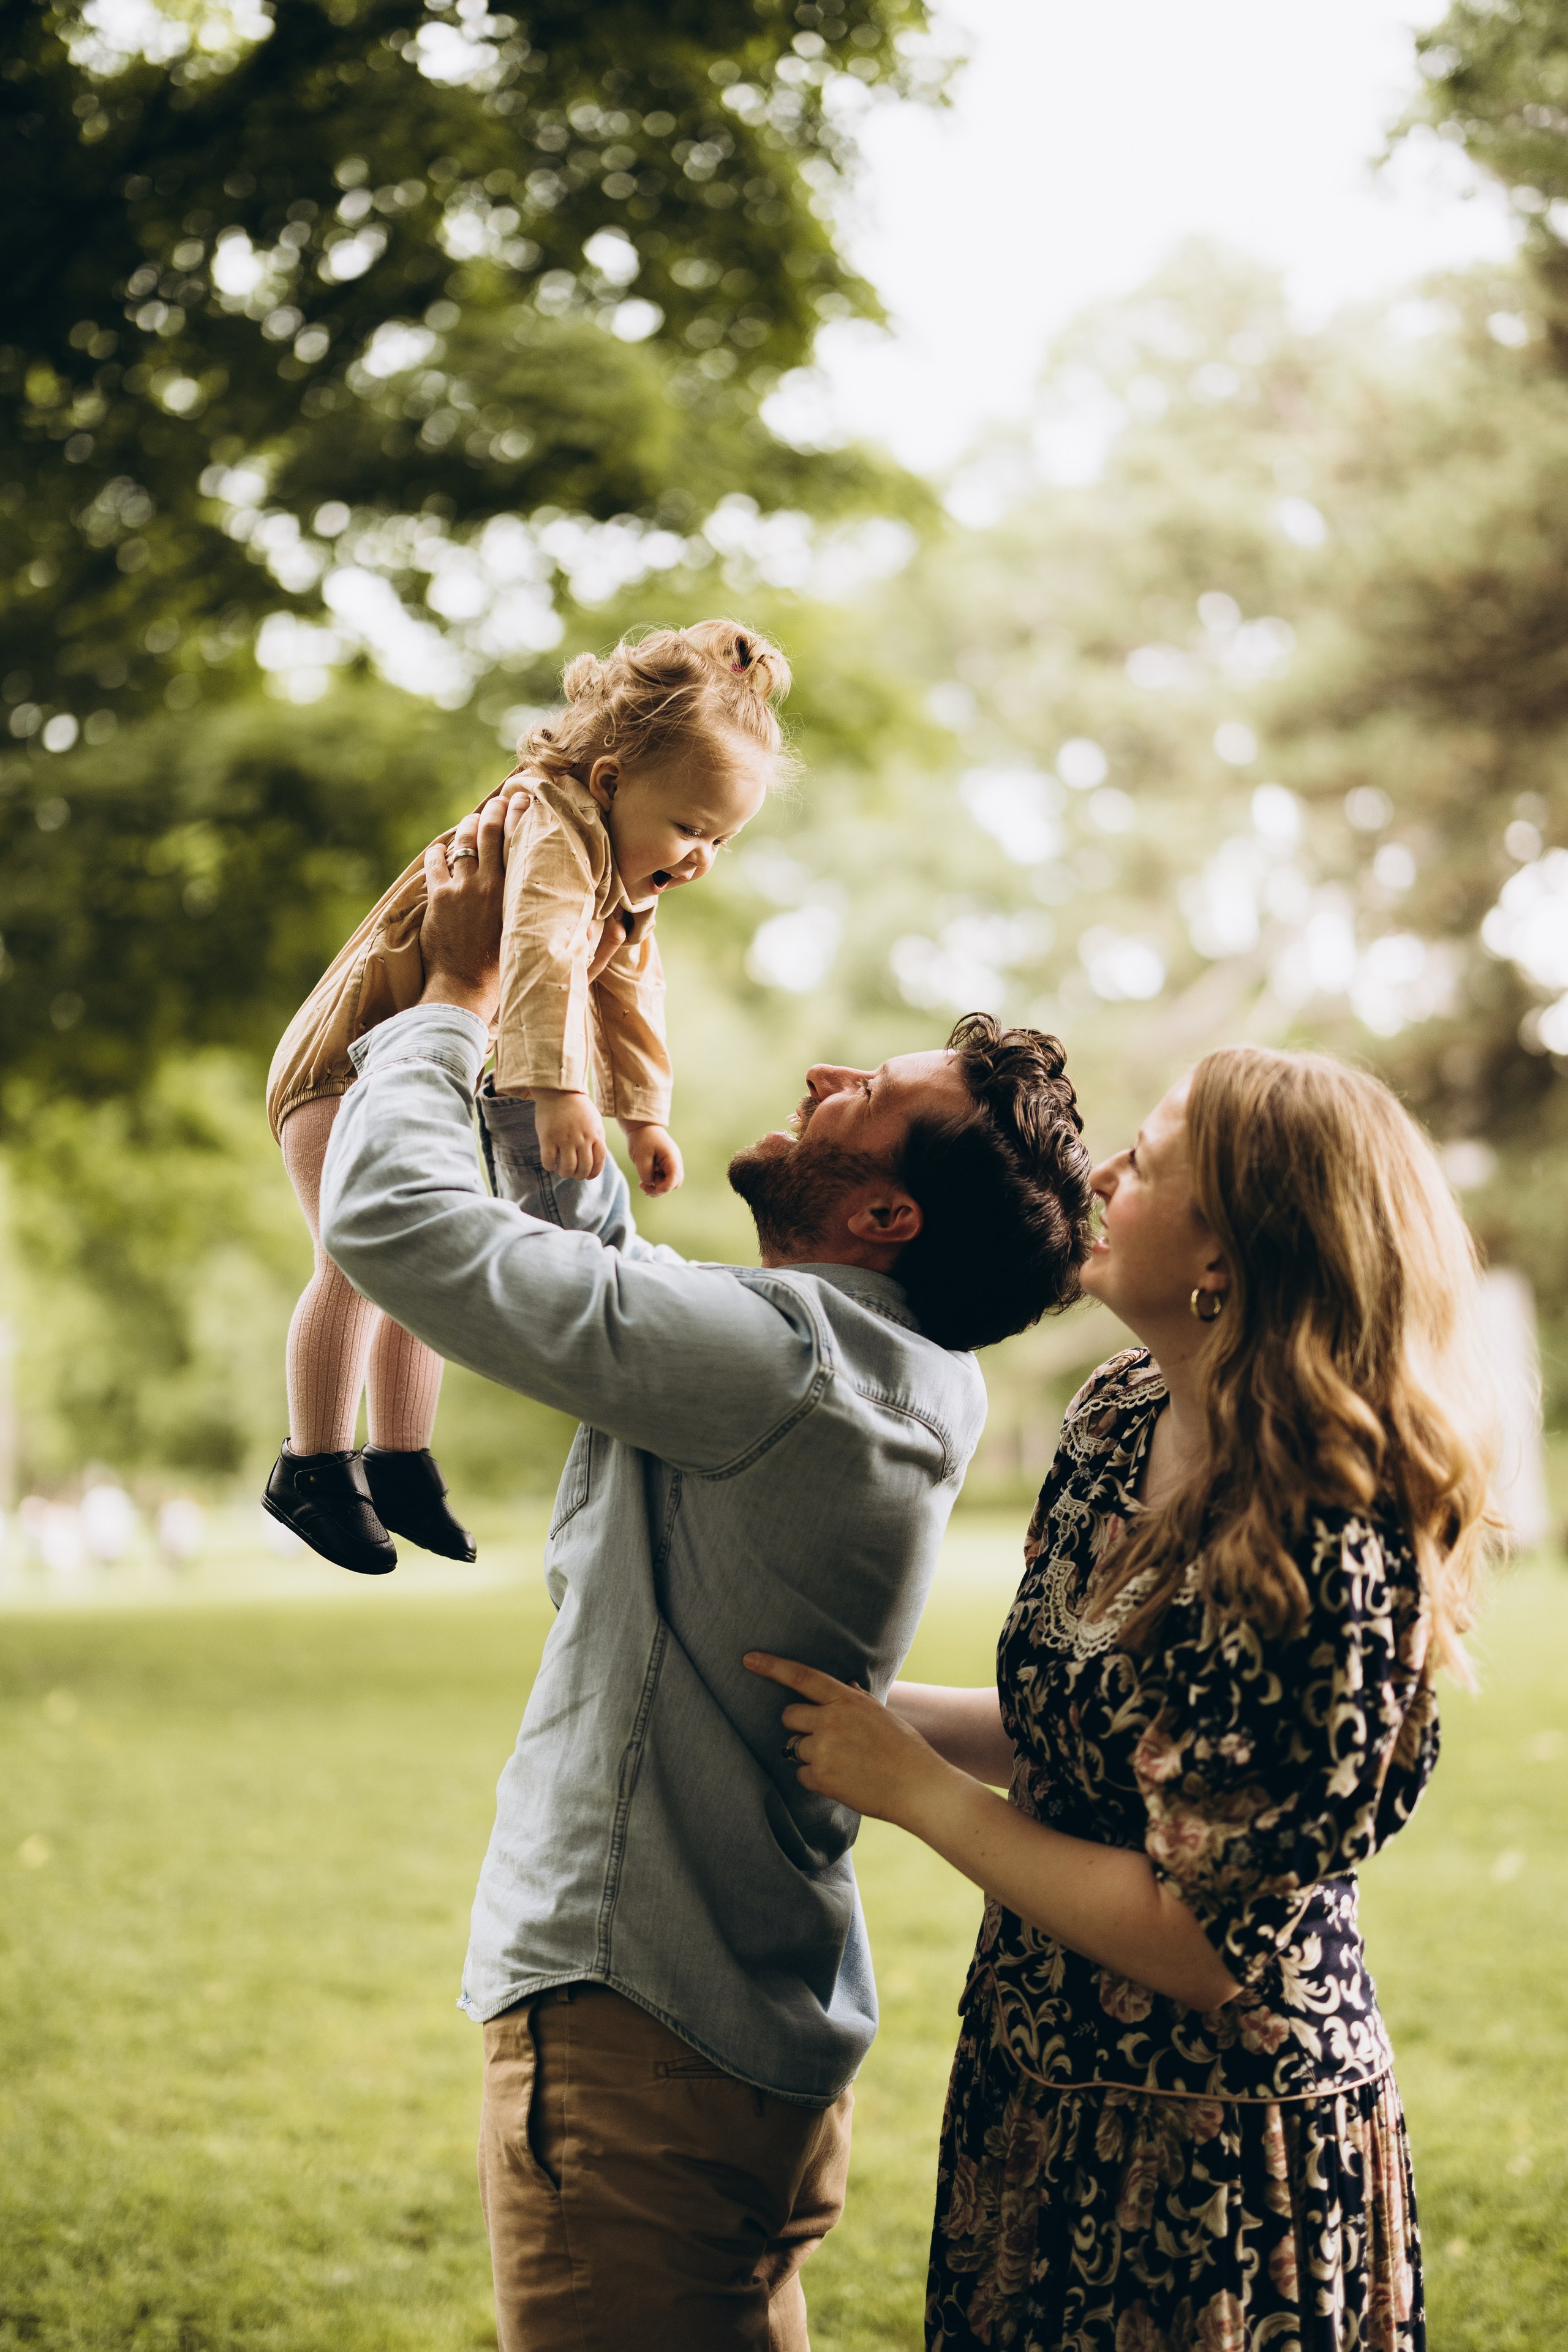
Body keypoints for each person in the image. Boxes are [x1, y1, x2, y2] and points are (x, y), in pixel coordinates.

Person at [313, 790, 1099, 2351]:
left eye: (862, 1093)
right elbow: (604, 1277)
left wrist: (452, 1009)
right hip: (744, 2036)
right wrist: (568, 1026)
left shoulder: (788, 1367)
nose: (819, 1076)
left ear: (881, 1213)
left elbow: (394, 1219)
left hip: (637, 2039)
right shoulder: (890, 1372)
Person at [748, 1044, 1498, 2352]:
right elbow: (1088, 1733)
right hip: (1034, 2080)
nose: (1099, 1174)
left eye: (1145, 1167)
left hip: (1213, 2157)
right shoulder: (1115, 1414)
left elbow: (1198, 1941)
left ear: (1230, 1255)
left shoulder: (1324, 1536)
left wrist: (910, 1788)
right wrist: (865, 1715)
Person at [263, 620, 786, 1575]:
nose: (701, 856)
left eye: (720, 840)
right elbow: (541, 953)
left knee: (419, 1264)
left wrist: (642, 1114)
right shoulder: (549, 822)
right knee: (356, 1261)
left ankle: (400, 1461)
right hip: (344, 1063)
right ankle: (312, 1466)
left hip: (413, 1068)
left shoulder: (622, 875)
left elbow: (628, 989)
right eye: (689, 826)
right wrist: (557, 1093)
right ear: (611, 779)